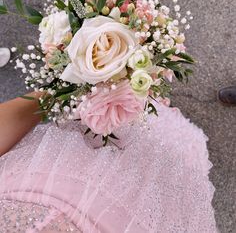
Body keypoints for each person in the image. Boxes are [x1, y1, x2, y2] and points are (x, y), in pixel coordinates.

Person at [0, 92, 217, 232]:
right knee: (167, 163)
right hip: (135, 210)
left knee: (138, 128)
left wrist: (60, 87)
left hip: (46, 170)